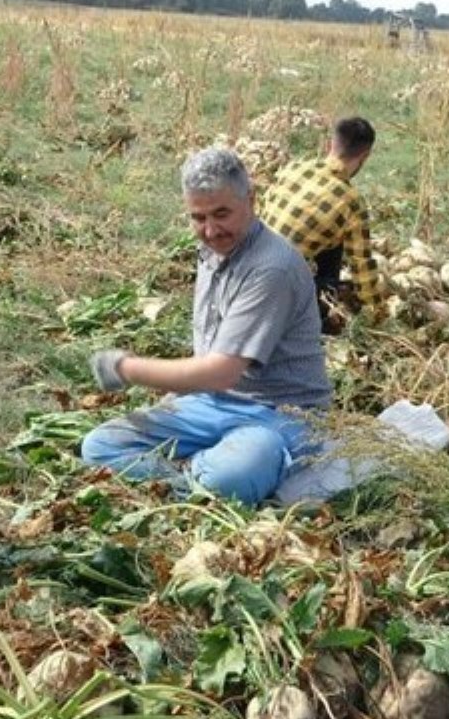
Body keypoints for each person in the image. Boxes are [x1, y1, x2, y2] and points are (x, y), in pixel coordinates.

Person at [80, 147, 332, 507]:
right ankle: (196, 479)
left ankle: (207, 476)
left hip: (281, 414)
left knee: (236, 473)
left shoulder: (271, 268)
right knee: (101, 445)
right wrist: (177, 400)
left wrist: (125, 368)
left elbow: (220, 373)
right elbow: (211, 362)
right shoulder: (215, 250)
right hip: (213, 404)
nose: (211, 230)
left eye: (221, 214)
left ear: (251, 200)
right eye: (198, 218)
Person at [259, 116, 385, 334]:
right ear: (365, 156)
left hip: (244, 264)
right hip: (271, 293)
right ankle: (321, 317)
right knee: (337, 242)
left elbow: (261, 210)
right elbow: (361, 267)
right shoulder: (351, 202)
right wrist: (377, 312)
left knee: (334, 238)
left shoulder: (294, 168)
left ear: (329, 144)